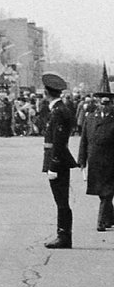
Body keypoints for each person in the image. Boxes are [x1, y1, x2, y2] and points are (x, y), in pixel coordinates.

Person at [41, 72, 79, 249]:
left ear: (46, 92)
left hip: (58, 161)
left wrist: (53, 165)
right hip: (57, 159)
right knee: (61, 199)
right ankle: (63, 234)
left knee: (61, 200)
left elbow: (58, 142)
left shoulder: (58, 112)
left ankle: (63, 236)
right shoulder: (59, 110)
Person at [78, 90, 114, 232]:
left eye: (107, 103)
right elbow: (84, 141)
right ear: (97, 104)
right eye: (101, 103)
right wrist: (82, 160)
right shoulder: (91, 118)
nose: (104, 106)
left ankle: (101, 221)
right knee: (101, 191)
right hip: (94, 160)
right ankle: (110, 216)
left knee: (107, 191)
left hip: (110, 161)